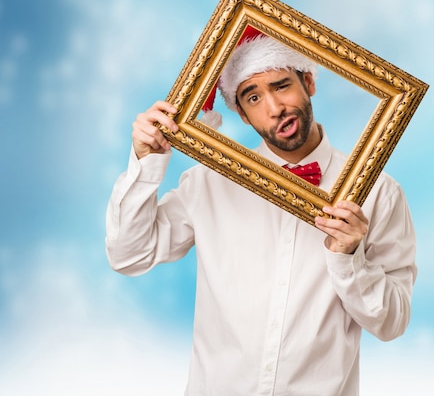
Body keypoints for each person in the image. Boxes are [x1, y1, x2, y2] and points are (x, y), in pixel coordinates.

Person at [105, 27, 417, 396]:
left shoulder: (378, 192)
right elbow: (128, 255)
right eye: (253, 97)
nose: (274, 108)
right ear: (243, 116)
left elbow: (392, 322)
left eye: (281, 85)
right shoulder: (209, 183)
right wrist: (145, 162)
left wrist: (350, 259)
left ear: (309, 82)